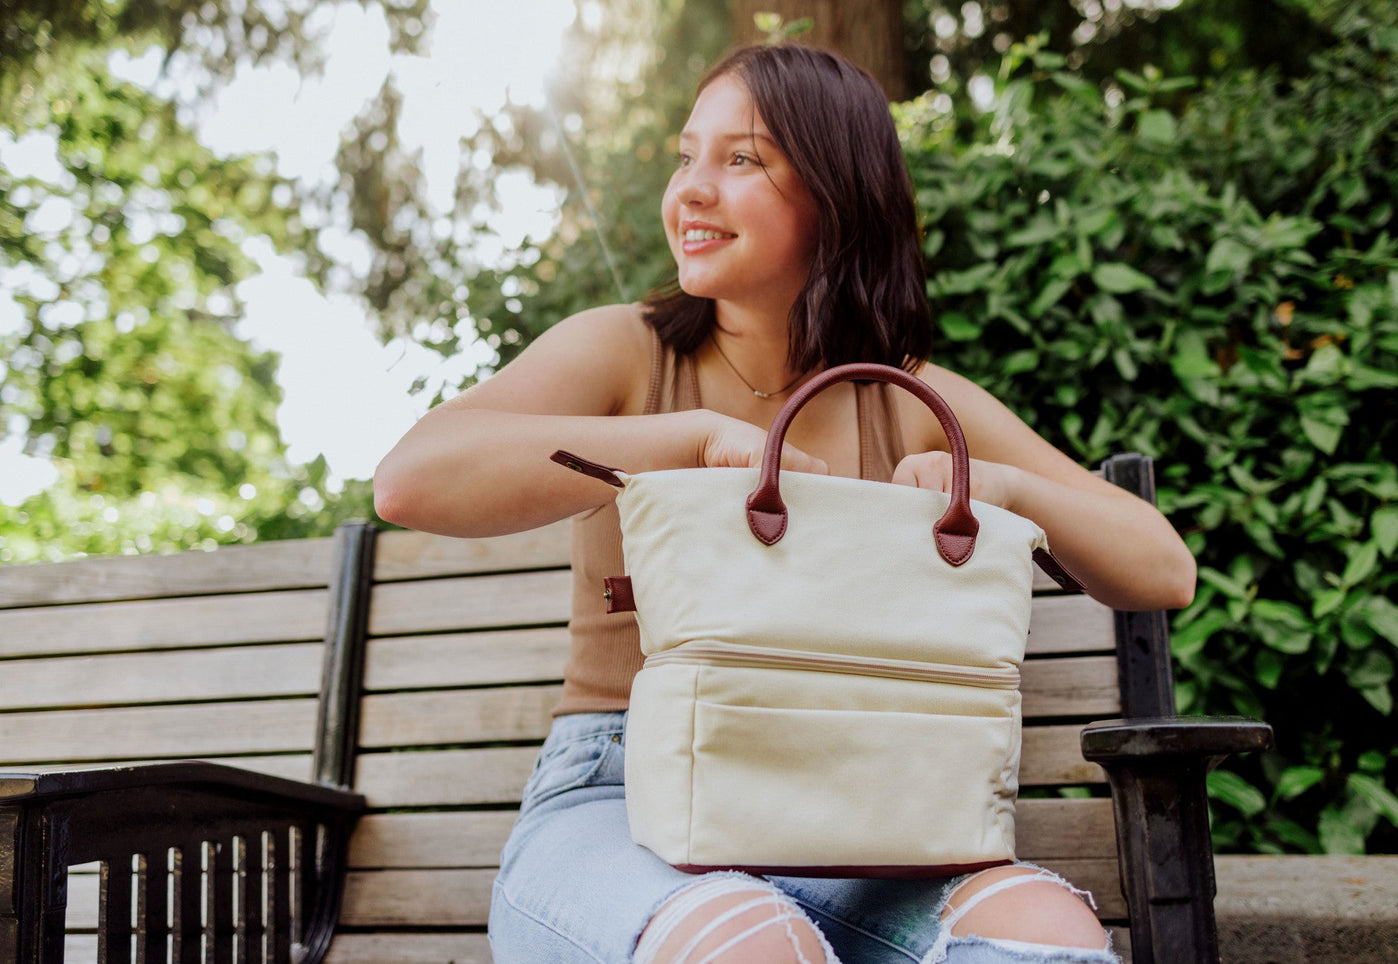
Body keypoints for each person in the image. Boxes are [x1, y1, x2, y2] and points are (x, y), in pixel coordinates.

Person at [374, 42, 1195, 964]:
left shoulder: (914, 401)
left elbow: (1161, 569)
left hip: (860, 820)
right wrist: (694, 442)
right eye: (687, 155)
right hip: (616, 805)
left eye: (741, 160)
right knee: (750, 944)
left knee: (1044, 933)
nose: (690, 189)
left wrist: (996, 487)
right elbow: (411, 481)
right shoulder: (624, 354)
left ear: (836, 192)